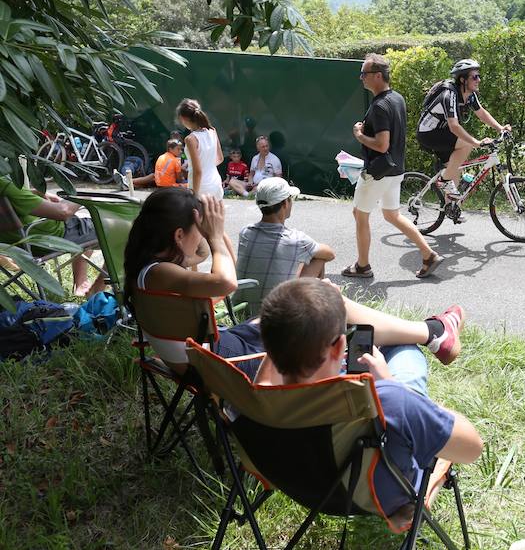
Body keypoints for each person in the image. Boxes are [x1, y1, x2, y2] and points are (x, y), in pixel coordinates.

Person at [123, 188, 466, 378]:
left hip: (209, 354)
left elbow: (203, 254)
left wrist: (208, 231)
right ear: (178, 234)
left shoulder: (148, 271)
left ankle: (431, 333)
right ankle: (430, 333)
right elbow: (226, 281)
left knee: (320, 301)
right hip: (223, 365)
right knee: (334, 312)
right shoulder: (162, 273)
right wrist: (212, 235)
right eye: (195, 232)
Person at [254, 277, 483, 527]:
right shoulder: (390, 399)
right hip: (380, 492)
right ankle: (417, 496)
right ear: (341, 345)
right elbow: (472, 449)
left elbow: (270, 369)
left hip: (306, 487)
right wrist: (393, 385)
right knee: (407, 350)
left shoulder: (256, 399)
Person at [343, 53, 444, 280]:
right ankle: (428, 255)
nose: (361, 78)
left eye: (364, 74)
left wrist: (359, 135)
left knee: (359, 214)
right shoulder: (397, 98)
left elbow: (381, 144)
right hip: (395, 170)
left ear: (377, 76)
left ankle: (362, 266)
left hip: (378, 172)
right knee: (392, 214)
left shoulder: (379, 106)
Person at [235, 177, 335, 315]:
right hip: (276, 315)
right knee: (317, 258)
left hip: (241, 313)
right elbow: (329, 254)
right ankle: (313, 310)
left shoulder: (245, 232)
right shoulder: (297, 239)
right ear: (285, 204)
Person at [416, 58, 511, 199]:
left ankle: (452, 208)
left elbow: (481, 113)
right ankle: (442, 181)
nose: (478, 80)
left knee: (454, 171)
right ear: (462, 80)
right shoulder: (449, 95)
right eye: (474, 77)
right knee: (466, 145)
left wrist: (500, 128)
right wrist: (476, 143)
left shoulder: (470, 95)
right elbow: (454, 126)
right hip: (428, 133)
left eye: (479, 76)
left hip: (443, 132)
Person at [0, 176, 105, 296]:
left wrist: (32, 193)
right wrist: (80, 196)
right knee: (122, 233)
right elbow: (63, 211)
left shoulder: (7, 187)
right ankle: (96, 290)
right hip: (49, 239)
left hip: (13, 247)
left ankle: (81, 284)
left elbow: (15, 197)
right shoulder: (4, 184)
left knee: (82, 225)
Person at [176, 98, 224, 199]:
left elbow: (198, 171)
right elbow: (220, 158)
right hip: (216, 183)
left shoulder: (190, 139)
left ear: (182, 118)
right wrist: (207, 165)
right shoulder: (212, 131)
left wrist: (194, 195)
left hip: (201, 187)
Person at [123, 139, 188, 190]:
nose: (181, 151)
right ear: (170, 149)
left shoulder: (162, 156)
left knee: (150, 179)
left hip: (159, 183)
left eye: (181, 149)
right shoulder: (176, 160)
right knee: (189, 184)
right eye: (178, 149)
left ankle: (127, 182)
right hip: (169, 186)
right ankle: (127, 182)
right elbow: (179, 180)